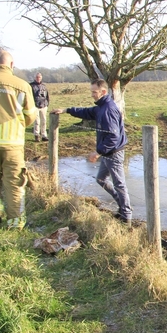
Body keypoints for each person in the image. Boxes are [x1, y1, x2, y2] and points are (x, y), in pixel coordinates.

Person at [51, 79, 132, 226]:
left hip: (113, 153)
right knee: (101, 180)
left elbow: (114, 137)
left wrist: (98, 152)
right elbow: (87, 112)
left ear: (103, 92)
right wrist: (66, 110)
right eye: (91, 92)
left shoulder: (108, 109)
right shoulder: (100, 107)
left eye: (94, 92)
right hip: (107, 153)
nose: (92, 95)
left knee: (119, 184)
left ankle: (126, 216)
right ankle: (121, 204)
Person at [0, 51, 38, 229]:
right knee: (15, 184)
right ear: (12, 65)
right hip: (13, 143)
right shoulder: (22, 85)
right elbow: (31, 115)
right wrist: (19, 125)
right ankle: (15, 223)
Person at [30, 72, 49, 142]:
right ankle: (37, 135)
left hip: (44, 105)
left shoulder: (44, 86)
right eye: (37, 77)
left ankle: (44, 135)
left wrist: (47, 104)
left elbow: (47, 95)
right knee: (37, 121)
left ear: (41, 78)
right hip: (35, 105)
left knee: (44, 121)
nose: (38, 78)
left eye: (39, 77)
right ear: (35, 78)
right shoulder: (31, 86)